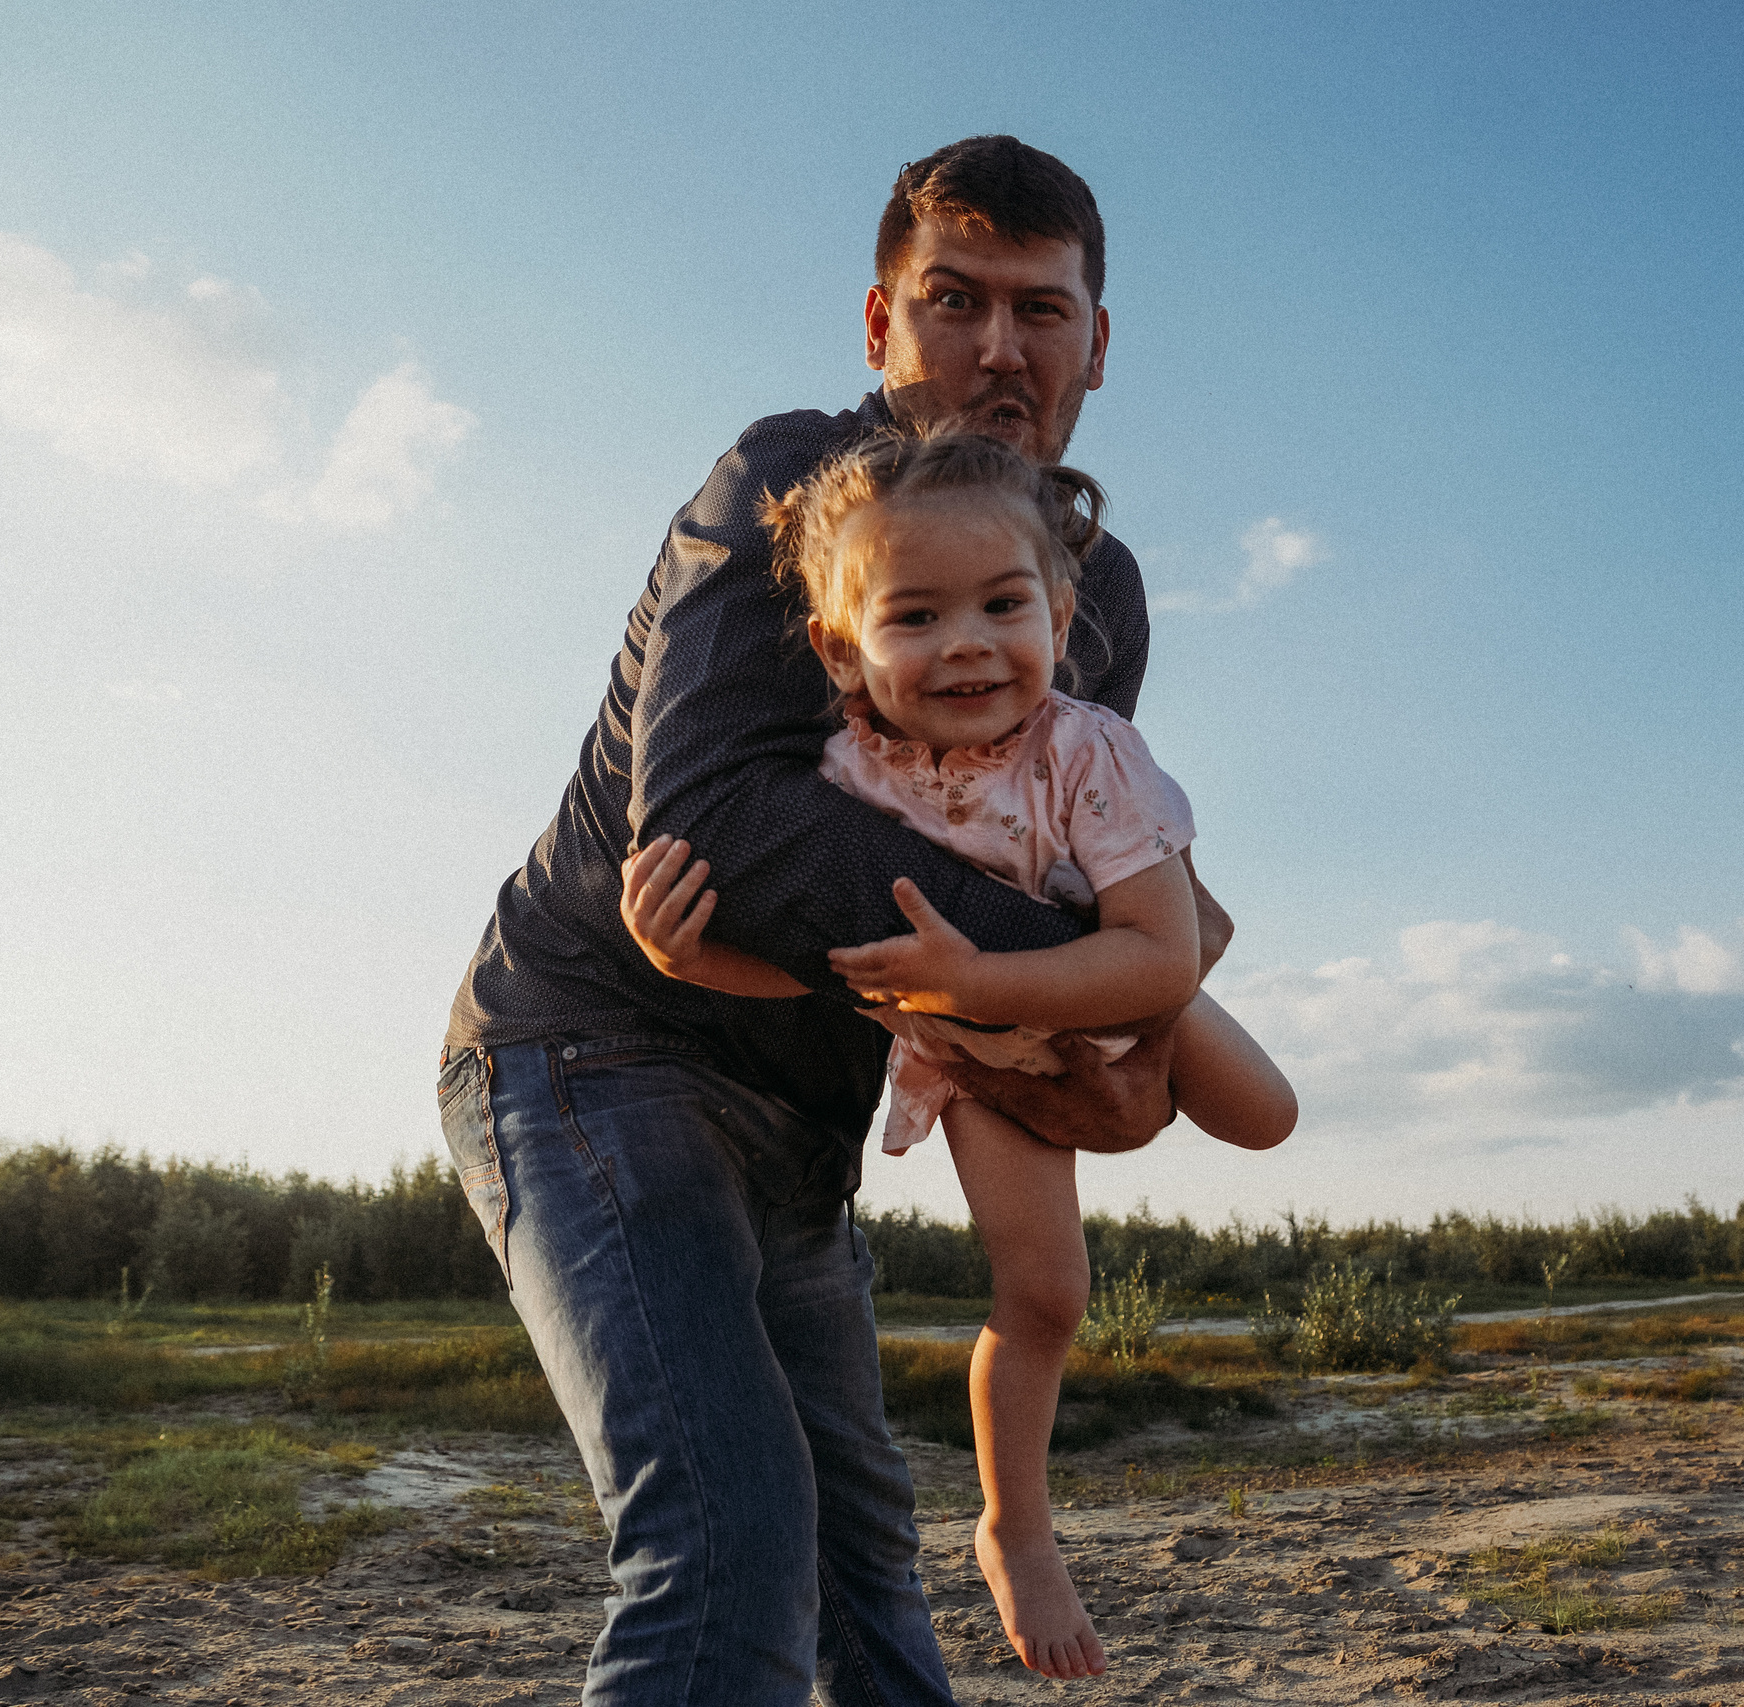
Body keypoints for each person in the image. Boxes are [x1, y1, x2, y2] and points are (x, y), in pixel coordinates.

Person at [437, 135, 1218, 1704]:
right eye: (955, 302)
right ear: (880, 326)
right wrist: (1103, 971)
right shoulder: (779, 482)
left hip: (810, 1115)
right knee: (730, 1539)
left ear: (1099, 345)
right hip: (596, 1047)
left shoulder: (1098, 592)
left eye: (1042, 311)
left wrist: (1109, 1022)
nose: (1000, 347)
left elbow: (1061, 876)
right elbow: (717, 826)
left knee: (866, 1567)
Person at [618, 425, 1295, 1678]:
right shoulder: (840, 779)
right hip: (975, 1060)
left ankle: (1012, 1519)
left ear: (1061, 607)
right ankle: (1016, 1527)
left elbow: (1160, 953)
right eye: (916, 617)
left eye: (1003, 603)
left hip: (1095, 978)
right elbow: (831, 979)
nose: (969, 643)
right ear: (841, 647)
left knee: (1267, 1118)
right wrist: (690, 962)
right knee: (1044, 1294)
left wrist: (996, 975)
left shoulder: (1090, 750)